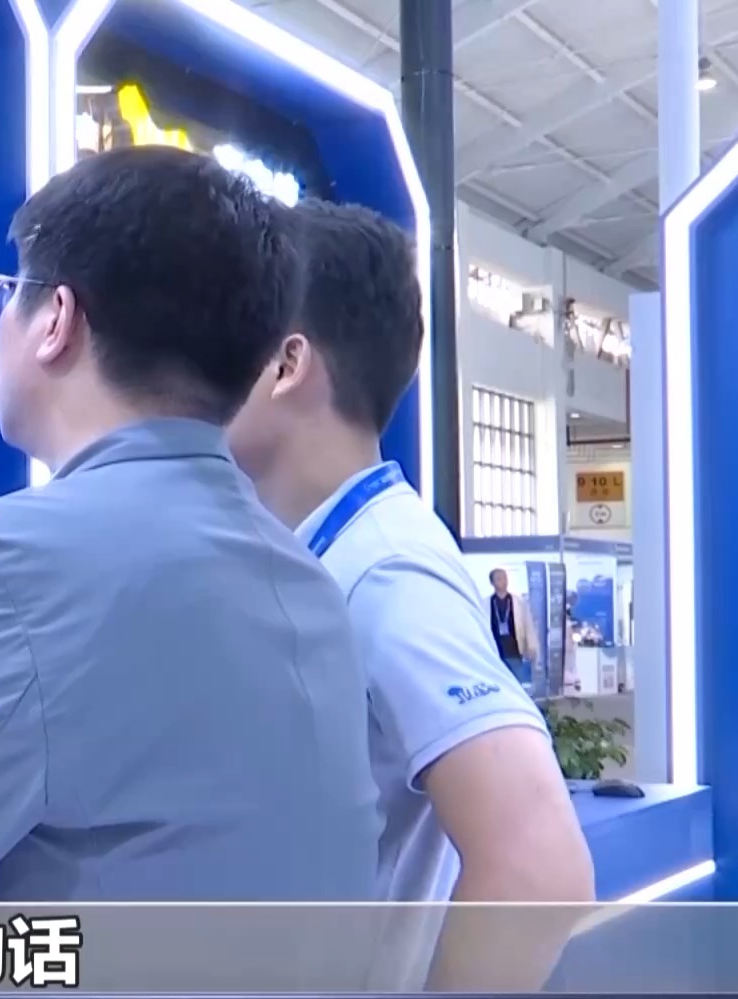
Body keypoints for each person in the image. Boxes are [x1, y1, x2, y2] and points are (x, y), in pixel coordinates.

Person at [0, 146, 380, 903]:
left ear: (56, 319)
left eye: (9, 295)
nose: (0, 321)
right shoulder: (311, 587)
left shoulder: (1, 569)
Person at [225, 200, 594, 989]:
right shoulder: (326, 555)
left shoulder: (387, 570)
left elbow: (540, 865)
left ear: (287, 364)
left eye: (226, 331)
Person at [488, 568, 538, 684]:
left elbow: (528, 625)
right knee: (500, 683)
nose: (503, 581)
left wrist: (531, 646)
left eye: (505, 578)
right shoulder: (486, 603)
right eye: (499, 579)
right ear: (492, 583)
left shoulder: (519, 602)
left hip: (515, 650)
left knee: (520, 682)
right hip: (496, 651)